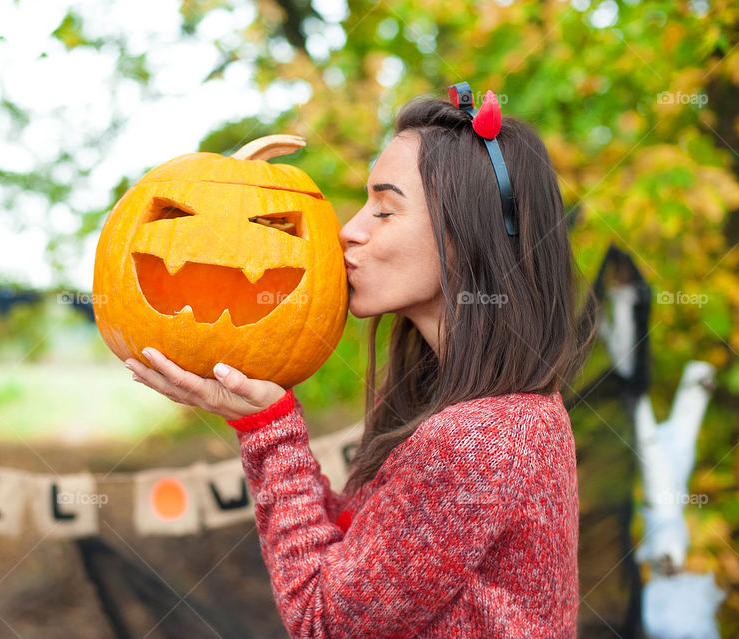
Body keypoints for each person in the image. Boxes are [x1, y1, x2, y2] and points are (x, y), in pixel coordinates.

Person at [123, 83, 598, 638]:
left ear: (467, 238)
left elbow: (328, 621)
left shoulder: (480, 439)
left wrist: (271, 434)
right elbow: (362, 556)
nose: (349, 230)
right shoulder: (496, 416)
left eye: (385, 209)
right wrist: (257, 418)